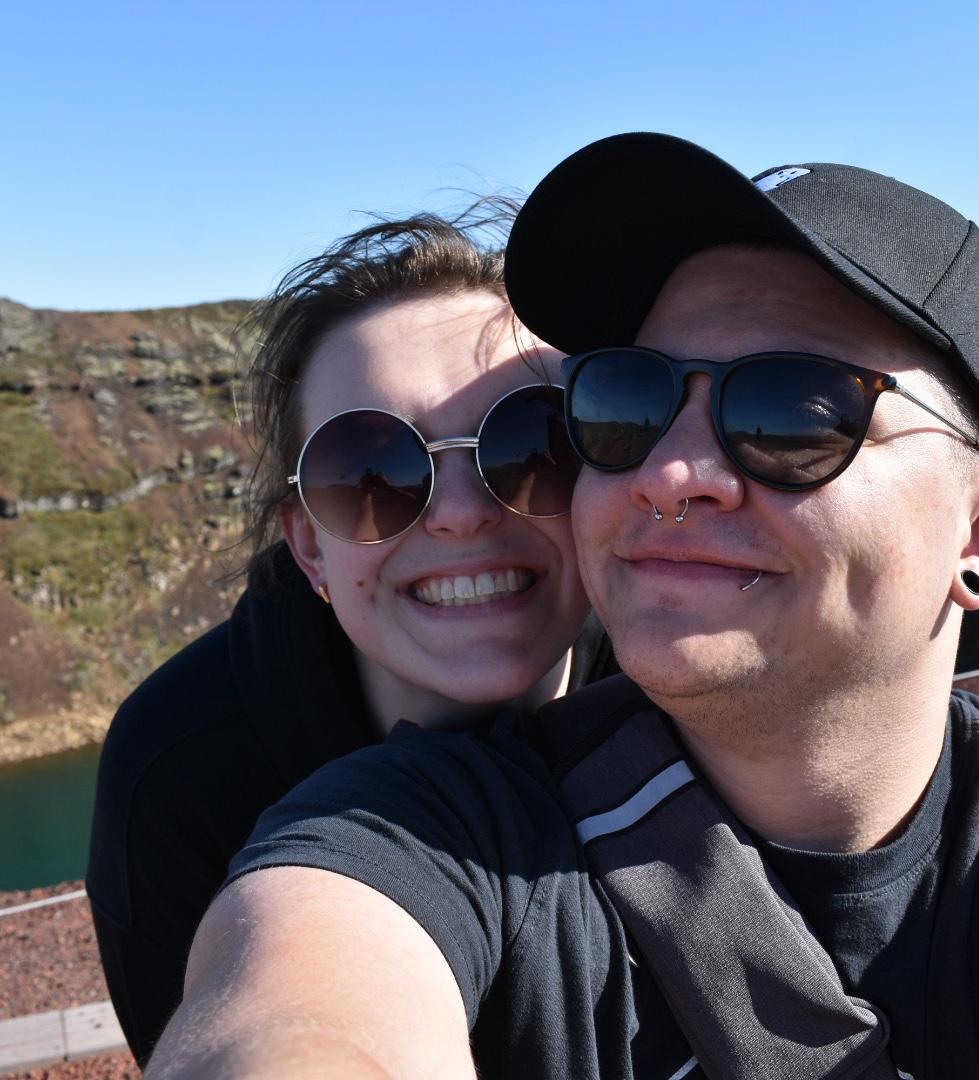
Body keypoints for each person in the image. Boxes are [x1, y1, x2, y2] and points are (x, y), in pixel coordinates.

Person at [147, 135, 979, 1080]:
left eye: (793, 412)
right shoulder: (421, 826)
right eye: (627, 402)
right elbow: (301, 998)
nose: (667, 473)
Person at [86, 202, 615, 1066]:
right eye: (372, 470)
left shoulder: (682, 677)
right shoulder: (180, 773)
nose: (460, 516)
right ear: (308, 547)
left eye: (533, 444)